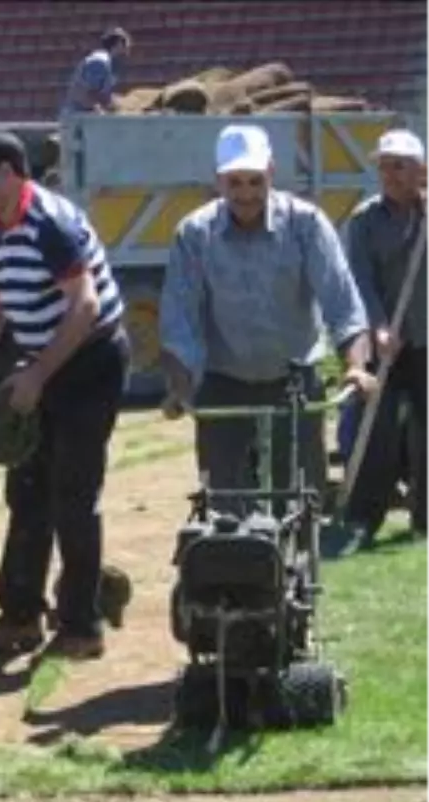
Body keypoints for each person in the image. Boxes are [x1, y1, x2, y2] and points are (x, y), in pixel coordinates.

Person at [0, 130, 129, 660]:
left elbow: (85, 307)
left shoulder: (50, 221)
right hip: (41, 363)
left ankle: (81, 625)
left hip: (90, 362)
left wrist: (38, 375)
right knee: (25, 490)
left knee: (73, 492)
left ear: (7, 173)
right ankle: (20, 617)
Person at [158, 123, 376, 522]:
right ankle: (233, 577)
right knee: (223, 503)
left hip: (294, 380)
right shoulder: (195, 234)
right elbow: (180, 319)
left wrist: (356, 367)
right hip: (224, 381)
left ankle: (300, 575)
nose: (245, 193)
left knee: (299, 500)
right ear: (218, 180)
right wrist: (181, 385)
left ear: (271, 174)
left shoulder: (305, 225)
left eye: (255, 181)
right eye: (235, 182)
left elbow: (342, 303)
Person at [336, 128, 429, 550]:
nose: (390, 174)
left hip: (427, 340)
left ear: (420, 171)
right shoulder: (364, 220)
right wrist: (378, 327)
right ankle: (362, 518)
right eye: (384, 166)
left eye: (399, 166)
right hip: (385, 344)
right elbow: (360, 280)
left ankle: (424, 519)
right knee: (378, 432)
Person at [59, 27, 132, 117]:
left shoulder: (105, 62)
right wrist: (110, 106)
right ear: (119, 43)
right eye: (126, 46)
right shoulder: (99, 62)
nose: (127, 51)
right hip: (79, 118)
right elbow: (90, 92)